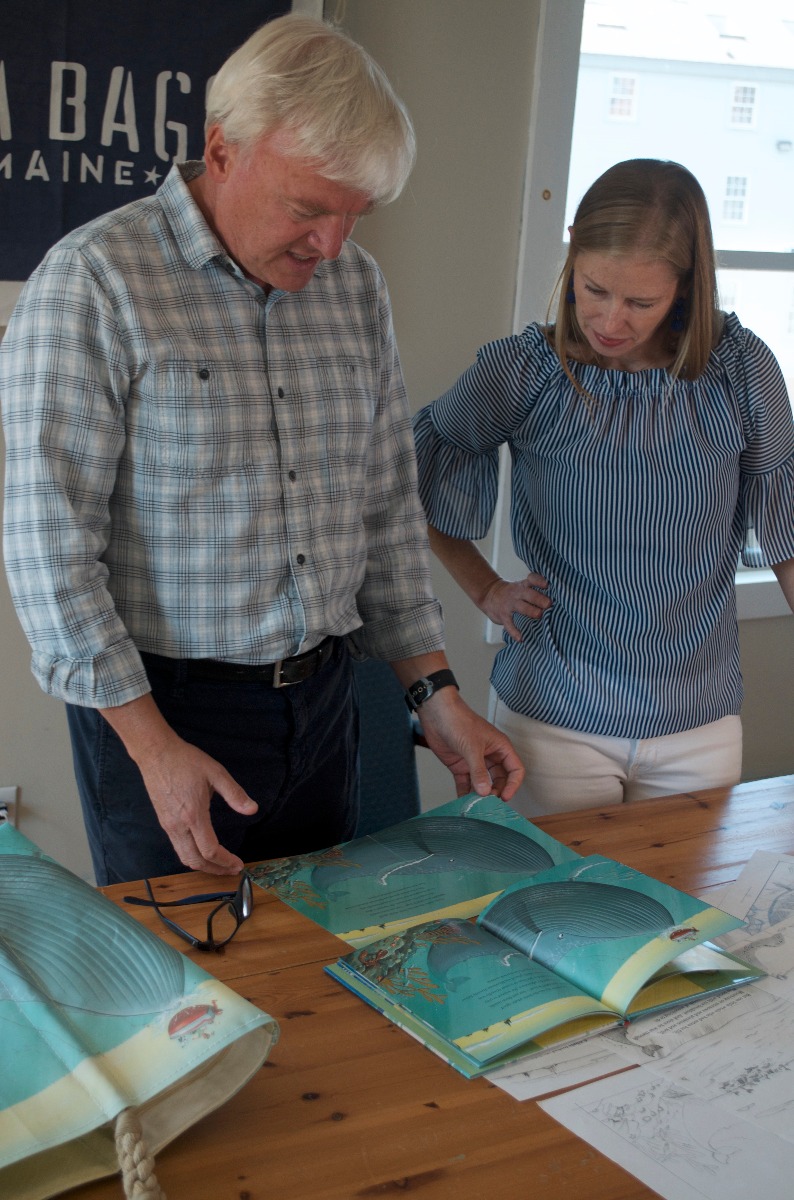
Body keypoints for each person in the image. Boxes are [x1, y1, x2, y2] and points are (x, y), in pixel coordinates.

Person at [0, 14, 523, 886]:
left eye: (354, 214)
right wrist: (153, 750)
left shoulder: (354, 288)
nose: (333, 244)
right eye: (308, 207)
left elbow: (387, 508)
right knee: (192, 993)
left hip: (327, 700)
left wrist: (437, 695)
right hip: (163, 713)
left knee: (322, 968)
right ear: (223, 151)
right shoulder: (95, 281)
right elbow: (50, 554)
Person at [413, 158, 794, 818]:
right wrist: (486, 589)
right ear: (572, 250)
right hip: (554, 720)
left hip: (699, 725)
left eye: (640, 302)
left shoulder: (741, 370)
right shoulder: (525, 371)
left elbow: (787, 534)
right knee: (555, 917)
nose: (611, 319)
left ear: (686, 287)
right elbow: (419, 470)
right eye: (594, 289)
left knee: (689, 922)